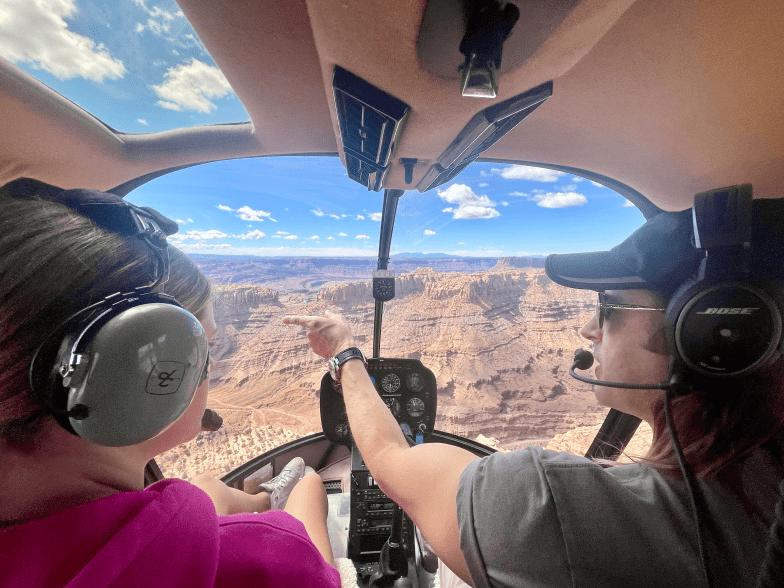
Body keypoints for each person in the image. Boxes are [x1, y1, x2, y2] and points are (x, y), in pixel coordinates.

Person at [284, 194, 784, 587]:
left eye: (608, 308)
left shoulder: (548, 503)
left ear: (706, 329)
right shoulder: (766, 487)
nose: (590, 328)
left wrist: (345, 353)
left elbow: (390, 459)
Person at [0, 179, 339, 588]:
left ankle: (265, 496)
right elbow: (322, 575)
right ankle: (282, 496)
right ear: (133, 372)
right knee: (309, 485)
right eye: (203, 347)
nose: (209, 368)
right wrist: (297, 517)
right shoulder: (265, 562)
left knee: (204, 488)